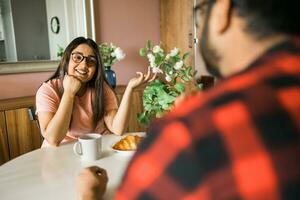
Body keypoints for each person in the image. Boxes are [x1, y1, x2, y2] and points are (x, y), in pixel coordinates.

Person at [76, 0, 300, 199]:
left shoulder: (192, 130)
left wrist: (89, 197)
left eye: (200, 12)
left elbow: (117, 131)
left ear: (223, 9)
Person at [36, 37, 154, 147]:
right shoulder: (48, 90)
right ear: (67, 60)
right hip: (62, 153)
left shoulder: (101, 89)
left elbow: (117, 129)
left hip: (98, 149)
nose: (83, 65)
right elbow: (53, 139)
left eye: (91, 61)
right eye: (77, 57)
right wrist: (69, 92)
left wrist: (130, 88)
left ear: (96, 68)